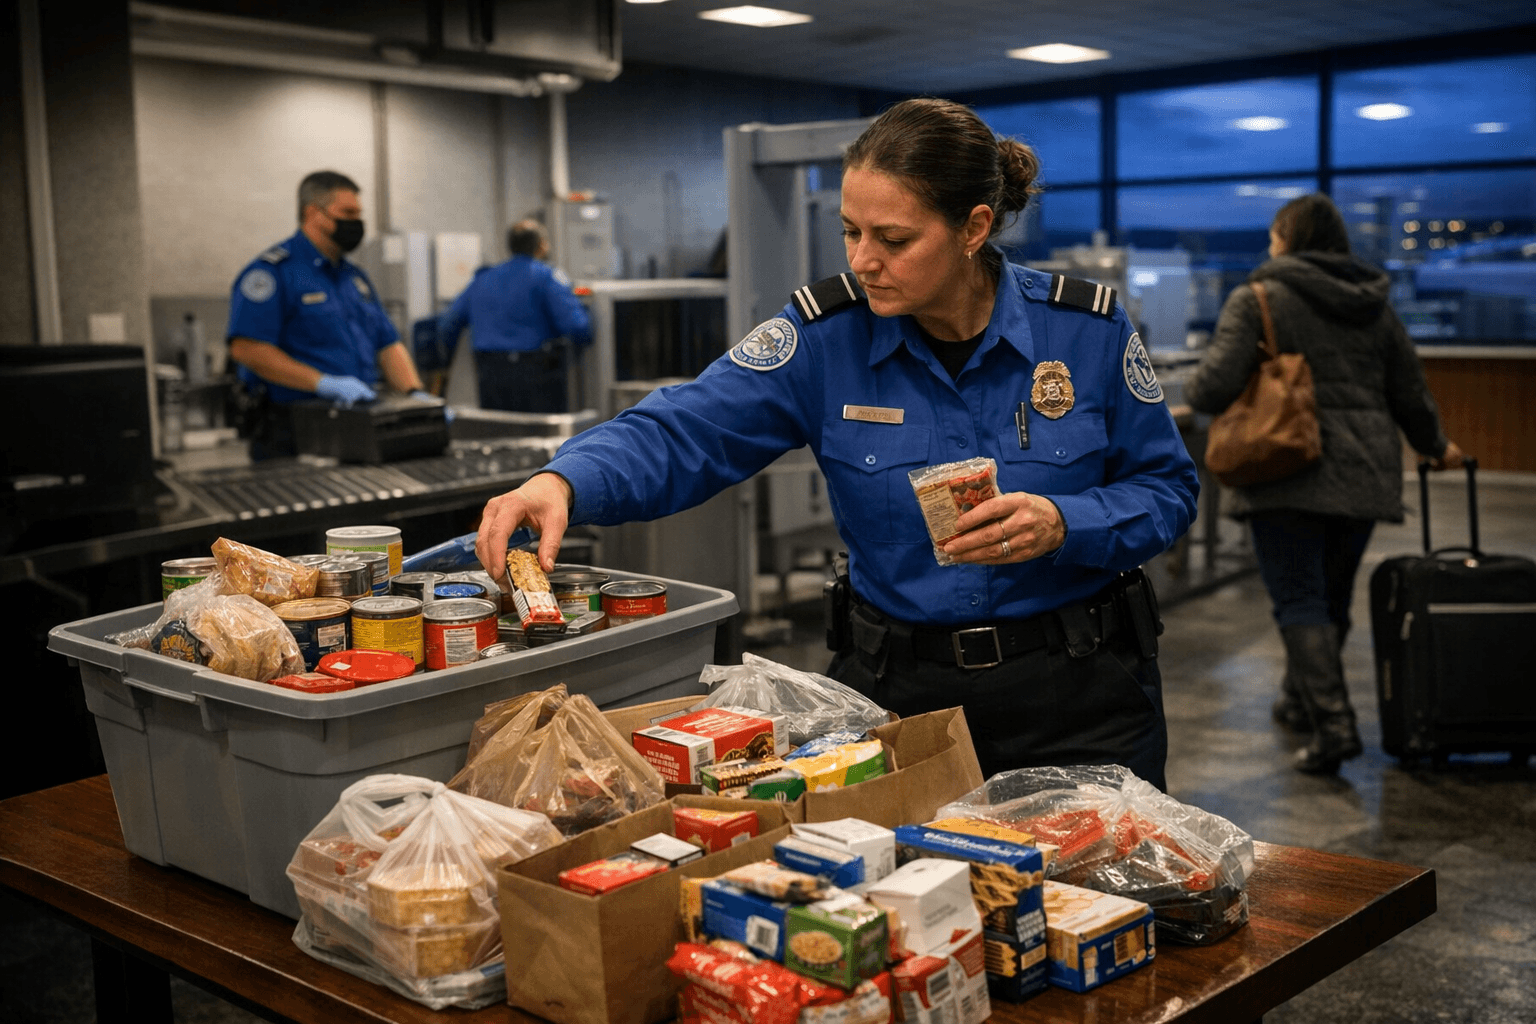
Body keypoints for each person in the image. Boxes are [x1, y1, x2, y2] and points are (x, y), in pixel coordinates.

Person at [475, 99, 1199, 788]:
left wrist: (1065, 523)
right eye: (851, 231)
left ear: (974, 228)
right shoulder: (826, 339)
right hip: (900, 700)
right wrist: (565, 481)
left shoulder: (1086, 332)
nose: (863, 260)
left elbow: (1166, 491)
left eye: (894, 239)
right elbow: (685, 427)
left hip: (1080, 697)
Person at [1186, 193, 1463, 775]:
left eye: (1273, 234)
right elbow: (1409, 390)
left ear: (1287, 238)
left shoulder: (1259, 296)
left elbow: (1209, 390)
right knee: (1331, 598)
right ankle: (1297, 698)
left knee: (1300, 600)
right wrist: (1436, 446)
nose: (1269, 244)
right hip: (1364, 472)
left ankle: (1335, 727)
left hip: (1284, 468)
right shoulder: (1375, 305)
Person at [227, 170, 427, 460]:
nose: (357, 222)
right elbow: (247, 348)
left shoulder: (355, 278)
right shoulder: (273, 272)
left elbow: (388, 343)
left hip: (357, 421)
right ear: (313, 213)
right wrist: (323, 383)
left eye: (359, 213)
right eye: (347, 212)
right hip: (294, 429)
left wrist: (414, 395)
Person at [437, 219, 593, 413]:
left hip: (489, 373)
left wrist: (444, 362)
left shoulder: (483, 279)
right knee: (541, 437)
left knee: (500, 433)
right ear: (542, 245)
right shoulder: (546, 276)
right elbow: (576, 326)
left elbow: (447, 323)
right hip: (536, 374)